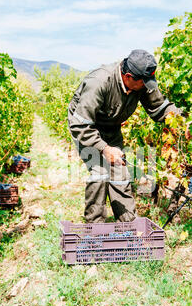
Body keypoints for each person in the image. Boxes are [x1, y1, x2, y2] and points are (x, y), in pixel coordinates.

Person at [68, 49, 181, 223]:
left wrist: (181, 122)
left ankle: (128, 224)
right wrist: (104, 148)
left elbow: (159, 108)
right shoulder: (99, 82)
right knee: (99, 172)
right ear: (128, 76)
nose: (147, 86)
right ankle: (94, 227)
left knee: (119, 172)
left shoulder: (142, 82)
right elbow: (80, 124)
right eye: (144, 82)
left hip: (111, 127)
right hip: (86, 126)